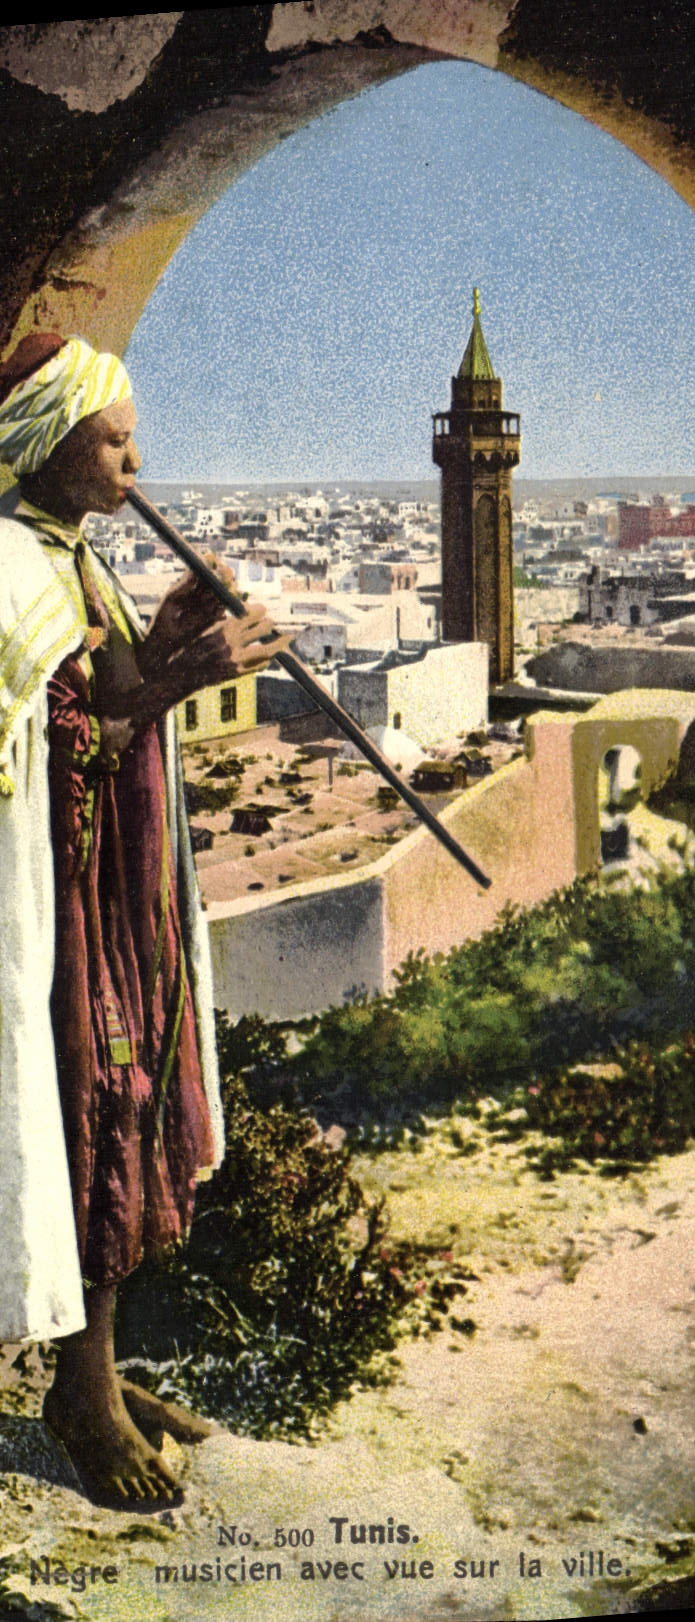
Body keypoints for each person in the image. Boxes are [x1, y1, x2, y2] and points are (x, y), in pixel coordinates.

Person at [0, 331, 275, 1508]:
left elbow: (105, 693)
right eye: (113, 439)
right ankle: (84, 1393)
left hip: (116, 900)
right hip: (61, 910)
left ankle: (94, 1371)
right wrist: (184, 674)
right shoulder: (9, 572)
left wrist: (164, 632)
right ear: (49, 444)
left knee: (127, 1101)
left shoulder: (71, 561)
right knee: (88, 1107)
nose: (133, 458)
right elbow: (72, 755)